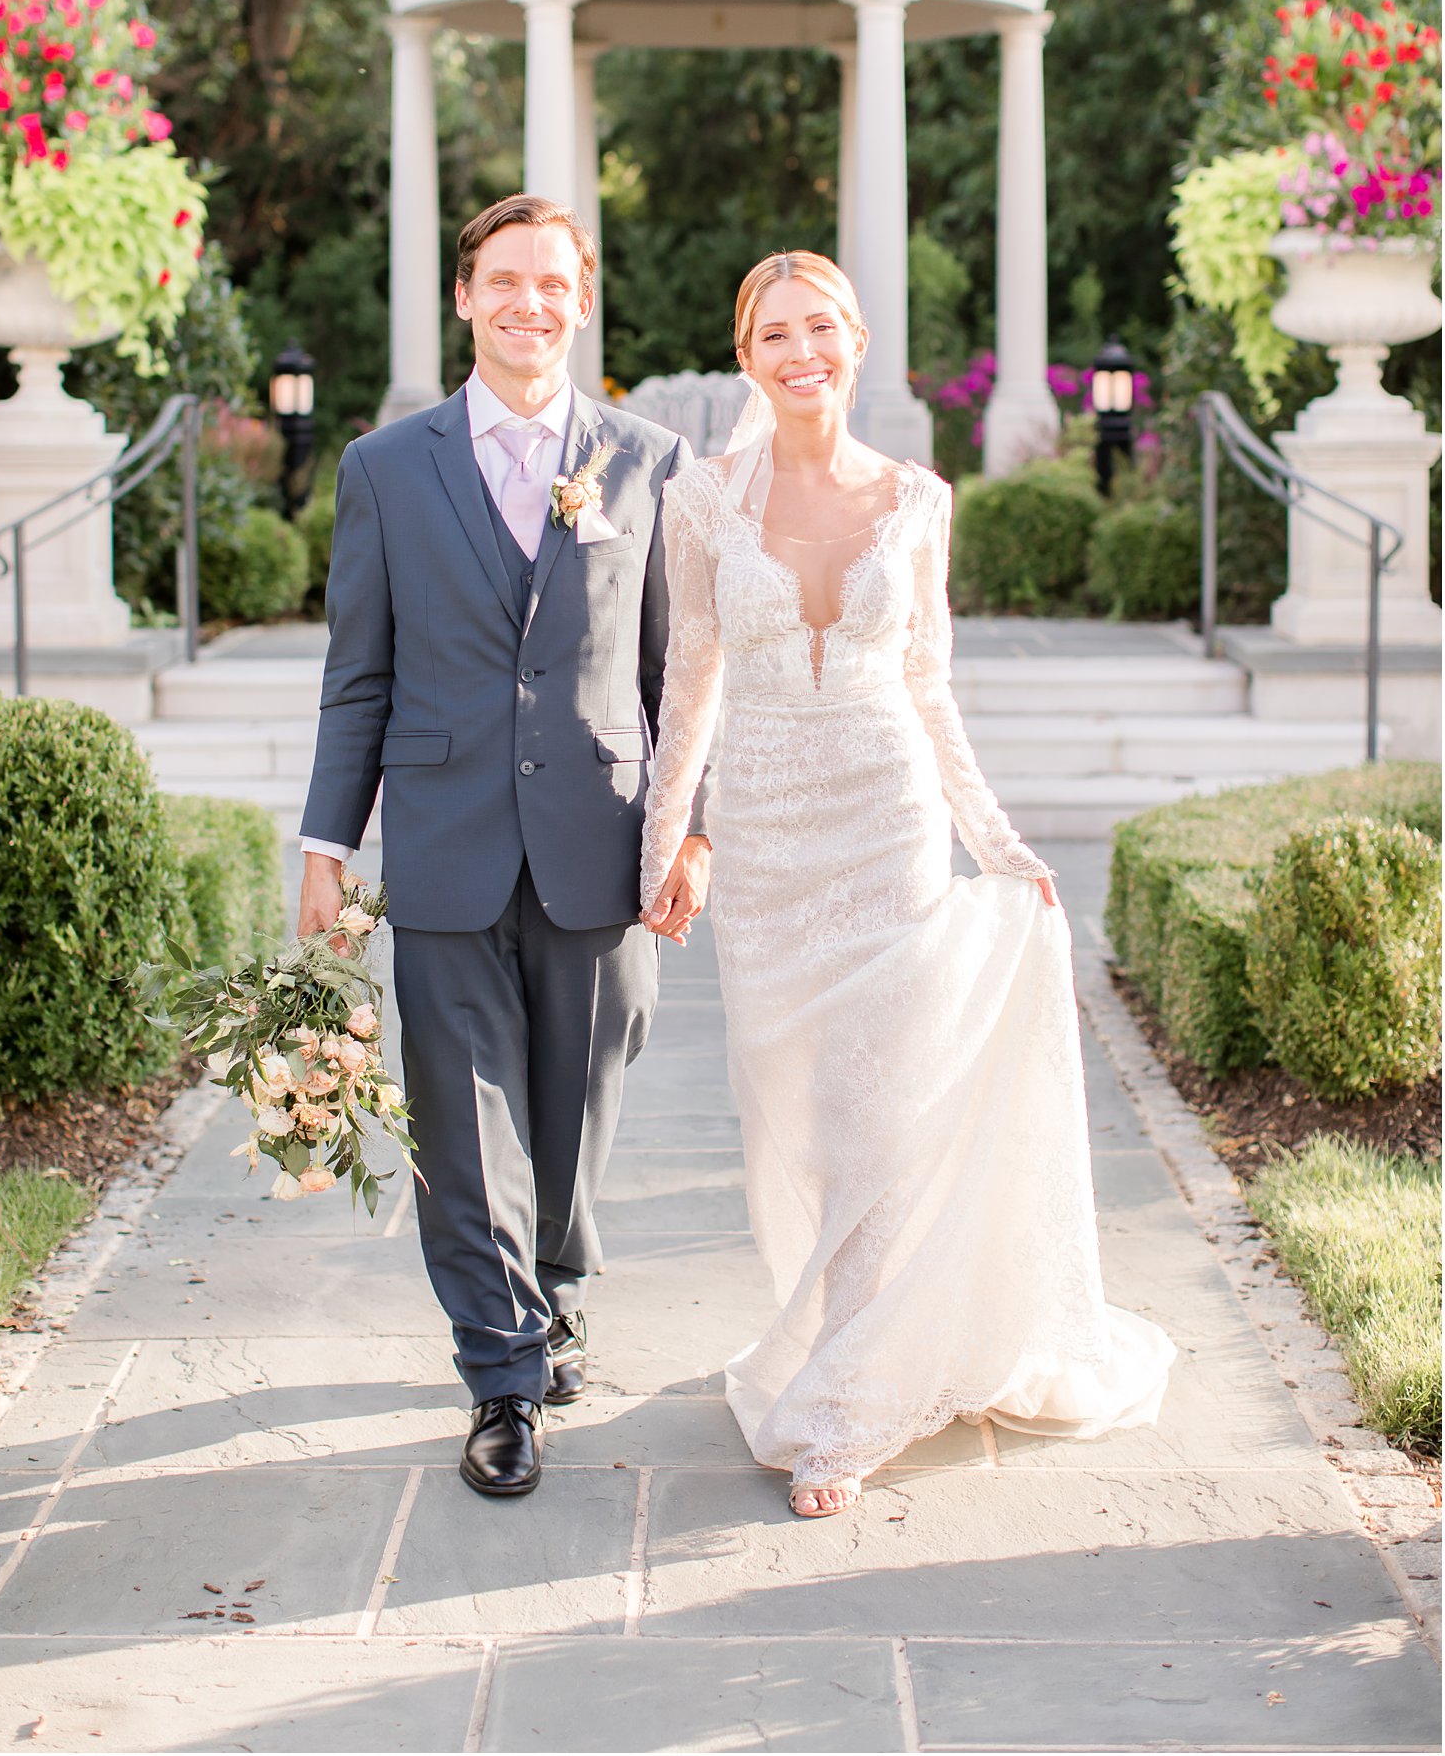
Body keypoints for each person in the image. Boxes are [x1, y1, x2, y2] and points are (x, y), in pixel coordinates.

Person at [640, 250, 1174, 1520]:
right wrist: (666, 840)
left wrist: (997, 844)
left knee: (880, 1113)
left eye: (818, 326)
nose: (798, 349)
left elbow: (927, 684)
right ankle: (836, 1340)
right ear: (744, 353)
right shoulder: (701, 498)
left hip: (888, 831)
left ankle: (849, 1404)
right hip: (767, 843)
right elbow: (688, 685)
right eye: (772, 331)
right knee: (799, 1122)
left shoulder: (919, 499)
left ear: (858, 340)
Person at [298, 194, 711, 1500]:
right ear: (465, 297)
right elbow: (357, 675)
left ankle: (561, 1293)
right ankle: (499, 1374)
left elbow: (676, 674)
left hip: (600, 834)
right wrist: (324, 840)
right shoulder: (384, 468)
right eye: (507, 280)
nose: (533, 303)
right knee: (464, 1128)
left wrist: (687, 831)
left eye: (555, 283)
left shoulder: (650, 461)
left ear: (581, 301)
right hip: (444, 836)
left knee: (576, 1112)